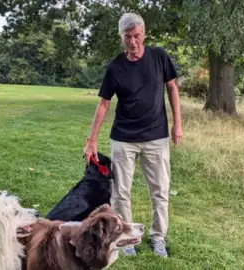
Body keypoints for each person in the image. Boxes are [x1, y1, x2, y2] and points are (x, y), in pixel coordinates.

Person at [83, 12, 182, 258]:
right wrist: (91, 140)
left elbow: (172, 87)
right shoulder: (115, 67)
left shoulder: (159, 56)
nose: (133, 42)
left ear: (144, 34)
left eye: (137, 35)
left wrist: (177, 123)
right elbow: (104, 103)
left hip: (156, 137)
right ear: (122, 38)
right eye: (128, 37)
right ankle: (126, 238)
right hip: (123, 139)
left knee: (160, 189)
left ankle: (158, 236)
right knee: (121, 192)